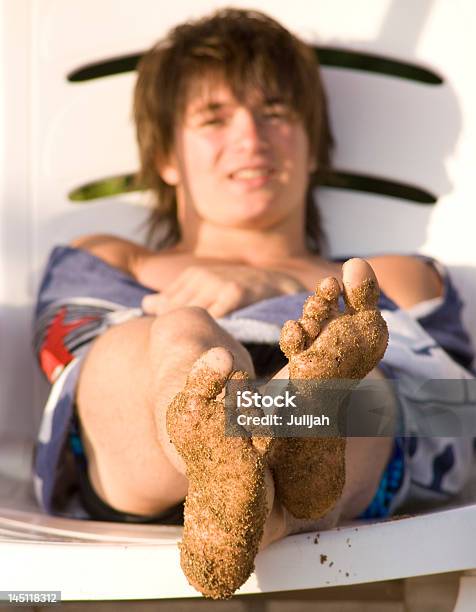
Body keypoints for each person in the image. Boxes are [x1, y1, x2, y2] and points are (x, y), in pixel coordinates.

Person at [33, 8, 474, 600]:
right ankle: (233, 439)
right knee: (181, 335)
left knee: (363, 385)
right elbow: (65, 365)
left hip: (349, 455)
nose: (250, 137)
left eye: (275, 112)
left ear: (312, 148)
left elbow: (457, 415)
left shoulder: (393, 276)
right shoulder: (116, 261)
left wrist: (270, 281)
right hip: (145, 454)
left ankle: (258, 494)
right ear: (166, 156)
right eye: (214, 117)